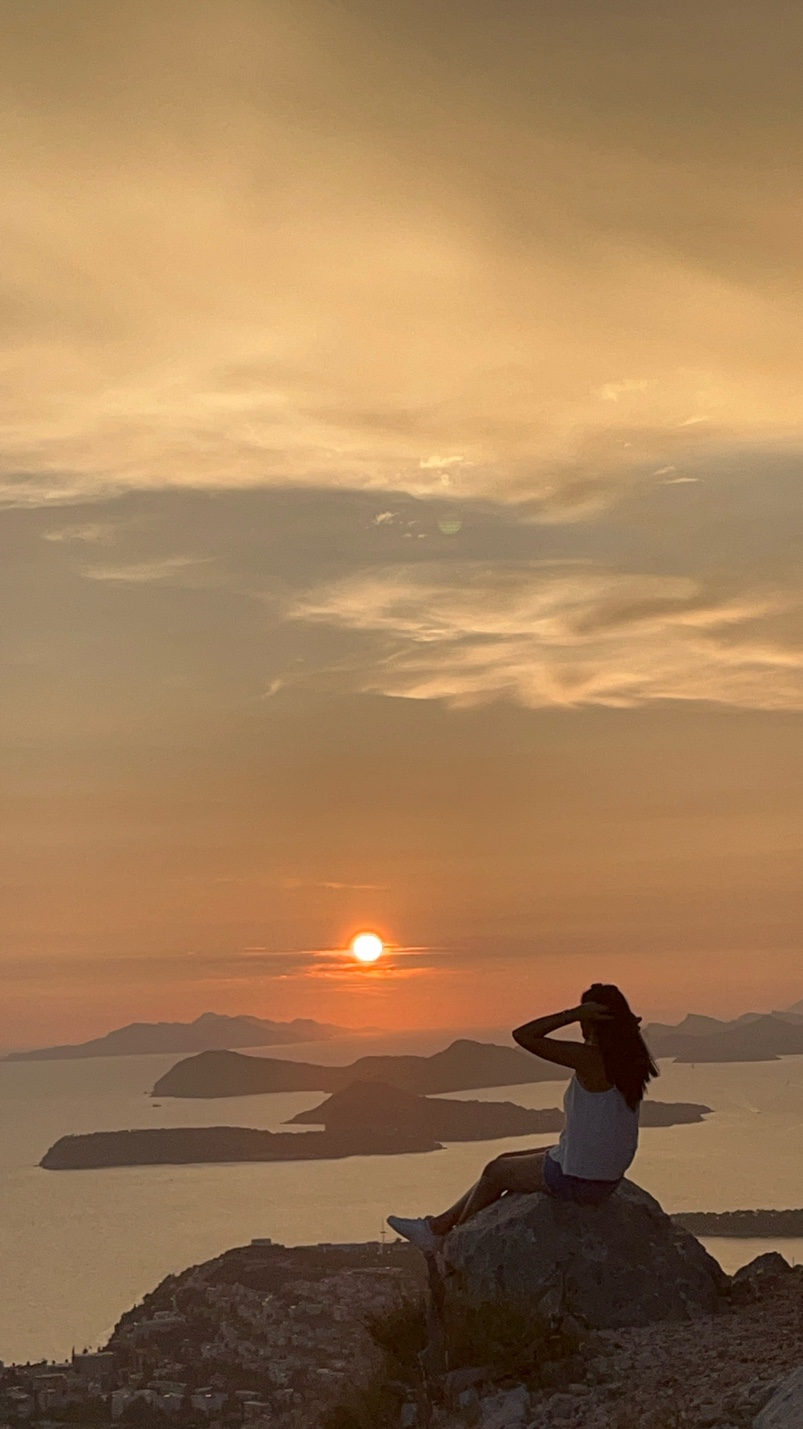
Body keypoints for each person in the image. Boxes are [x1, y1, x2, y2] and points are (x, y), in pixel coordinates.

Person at [387, 982, 658, 1255]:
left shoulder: (592, 1059)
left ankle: (450, 1243)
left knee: (495, 1172)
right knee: (505, 1160)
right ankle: (436, 1227)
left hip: (582, 1180)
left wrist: (572, 1014)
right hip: (605, 1177)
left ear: (592, 1020)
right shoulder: (631, 1058)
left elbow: (525, 1035)